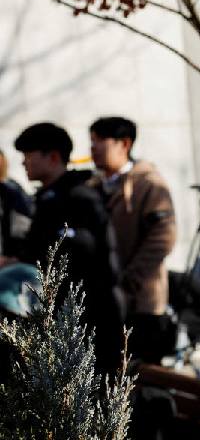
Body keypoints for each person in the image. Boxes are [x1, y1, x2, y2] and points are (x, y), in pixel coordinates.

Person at [12, 122, 124, 372]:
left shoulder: (79, 198)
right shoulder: (47, 199)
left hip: (87, 319)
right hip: (61, 316)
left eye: (28, 156)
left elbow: (88, 260)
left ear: (52, 157)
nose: (23, 163)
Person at [88, 116, 177, 363]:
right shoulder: (92, 186)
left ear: (124, 144)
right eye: (91, 142)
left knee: (140, 382)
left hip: (141, 304)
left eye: (100, 141)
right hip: (102, 305)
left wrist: (128, 280)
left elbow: (163, 237)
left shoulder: (149, 183)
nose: (92, 148)